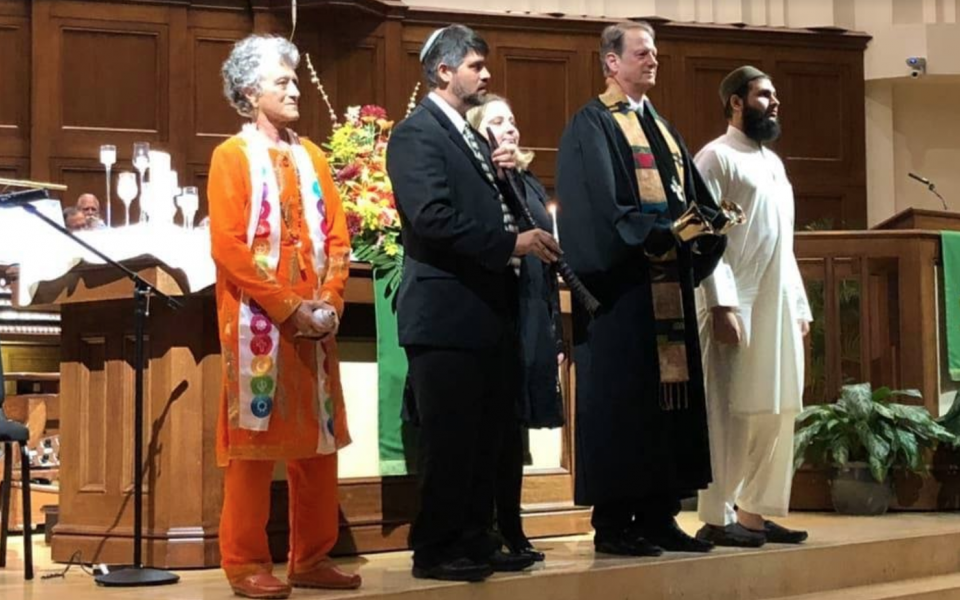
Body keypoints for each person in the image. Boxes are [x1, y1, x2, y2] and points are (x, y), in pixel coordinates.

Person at [387, 24, 560, 582]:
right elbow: (432, 218)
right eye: (475, 66)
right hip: (445, 314)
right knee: (451, 439)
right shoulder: (417, 134)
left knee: (484, 439)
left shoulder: (467, 134)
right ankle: (436, 548)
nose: (485, 76)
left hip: (485, 313)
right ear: (444, 71)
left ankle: (474, 537)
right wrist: (510, 243)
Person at [555, 21, 727, 557]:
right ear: (611, 61)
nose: (653, 60)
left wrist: (709, 224)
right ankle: (613, 524)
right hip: (623, 295)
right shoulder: (592, 125)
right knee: (623, 406)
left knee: (666, 404)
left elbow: (687, 195)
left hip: (665, 290)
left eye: (655, 52)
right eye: (642, 52)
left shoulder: (664, 128)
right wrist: (657, 235)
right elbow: (600, 212)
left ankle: (659, 516)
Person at [209, 34, 361, 598]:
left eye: (296, 80)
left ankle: (311, 558)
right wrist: (288, 306)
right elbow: (228, 247)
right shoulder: (231, 156)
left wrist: (331, 302)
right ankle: (245, 562)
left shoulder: (314, 155)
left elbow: (338, 239)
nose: (296, 90)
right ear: (251, 92)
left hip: (316, 322)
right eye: (283, 82)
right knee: (252, 446)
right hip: (259, 325)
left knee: (316, 445)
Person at [693, 66, 811, 548]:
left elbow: (785, 242)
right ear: (736, 102)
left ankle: (755, 511)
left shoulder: (774, 163)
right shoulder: (715, 158)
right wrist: (720, 304)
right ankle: (717, 517)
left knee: (778, 409)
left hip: (777, 303)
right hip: (735, 302)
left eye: (776, 94)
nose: (775, 101)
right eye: (764, 94)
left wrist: (799, 305)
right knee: (730, 412)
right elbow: (703, 236)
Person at [466, 95, 565, 562]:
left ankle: (512, 523)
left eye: (513, 120)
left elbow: (546, 252)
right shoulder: (478, 180)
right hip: (492, 312)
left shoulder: (524, 180)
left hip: (530, 311)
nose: (510, 128)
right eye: (497, 121)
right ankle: (485, 526)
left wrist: (554, 332)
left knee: (515, 430)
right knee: (491, 430)